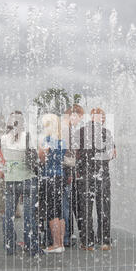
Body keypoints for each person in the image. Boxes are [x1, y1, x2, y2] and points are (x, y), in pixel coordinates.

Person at [1, 111, 42, 256]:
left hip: (10, 180)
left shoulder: (4, 138)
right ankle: (31, 247)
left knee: (9, 215)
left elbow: (6, 158)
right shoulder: (27, 137)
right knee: (30, 215)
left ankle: (10, 246)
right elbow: (34, 158)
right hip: (27, 179)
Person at [76, 108, 116, 251]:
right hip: (102, 175)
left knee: (85, 210)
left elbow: (75, 154)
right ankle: (104, 241)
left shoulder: (80, 132)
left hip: (85, 176)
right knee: (104, 209)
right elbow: (112, 154)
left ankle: (87, 242)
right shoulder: (107, 133)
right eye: (103, 117)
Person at [38, 113, 66, 253]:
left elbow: (42, 158)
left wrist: (39, 148)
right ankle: (61, 243)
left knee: (52, 211)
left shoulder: (49, 139)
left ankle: (56, 245)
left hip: (50, 177)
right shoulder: (61, 140)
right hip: (60, 176)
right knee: (59, 212)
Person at [62, 104, 85, 247]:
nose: (79, 120)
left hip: (66, 172)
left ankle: (69, 235)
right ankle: (66, 237)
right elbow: (67, 155)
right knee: (67, 206)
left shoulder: (68, 129)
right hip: (66, 173)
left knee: (69, 205)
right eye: (78, 117)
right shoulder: (67, 130)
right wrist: (71, 172)